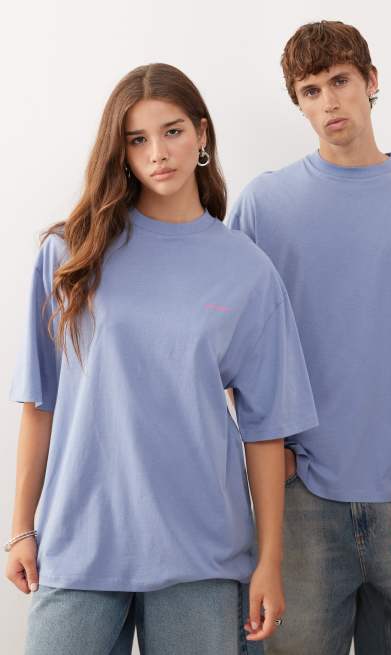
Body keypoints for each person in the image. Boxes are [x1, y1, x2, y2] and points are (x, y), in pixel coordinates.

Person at [5, 62, 319, 655]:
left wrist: (269, 561)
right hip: (80, 542)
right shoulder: (70, 255)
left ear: (202, 133)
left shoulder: (245, 269)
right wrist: (21, 528)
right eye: (138, 139)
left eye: (172, 131)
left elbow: (266, 430)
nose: (158, 153)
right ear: (120, 151)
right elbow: (40, 403)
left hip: (201, 548)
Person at [228, 20, 391, 655]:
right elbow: (234, 344)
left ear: (371, 81)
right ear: (298, 103)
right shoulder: (264, 205)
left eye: (340, 81)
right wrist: (269, 448)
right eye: (311, 90)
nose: (329, 102)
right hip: (301, 499)